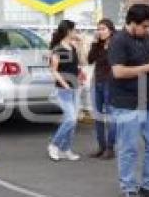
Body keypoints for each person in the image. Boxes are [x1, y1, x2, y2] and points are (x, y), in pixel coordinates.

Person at [109, 4, 149, 197]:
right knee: (129, 148)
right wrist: (148, 67)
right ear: (132, 23)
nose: (148, 31)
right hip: (126, 103)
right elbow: (118, 72)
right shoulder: (118, 41)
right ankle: (128, 187)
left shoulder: (146, 39)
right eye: (145, 26)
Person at [48, 20, 83, 162]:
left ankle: (65, 149)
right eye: (75, 30)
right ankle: (54, 145)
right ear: (68, 31)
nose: (76, 32)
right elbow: (53, 70)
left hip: (75, 88)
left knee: (73, 122)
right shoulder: (57, 49)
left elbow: (79, 64)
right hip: (63, 89)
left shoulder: (72, 47)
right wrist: (64, 84)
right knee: (70, 119)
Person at [88, 18, 117, 159]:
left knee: (112, 117)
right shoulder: (98, 45)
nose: (100, 32)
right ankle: (101, 146)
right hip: (97, 83)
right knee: (98, 116)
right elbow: (90, 59)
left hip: (110, 84)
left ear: (111, 30)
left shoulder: (116, 44)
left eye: (103, 29)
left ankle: (110, 148)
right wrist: (94, 43)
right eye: (98, 29)